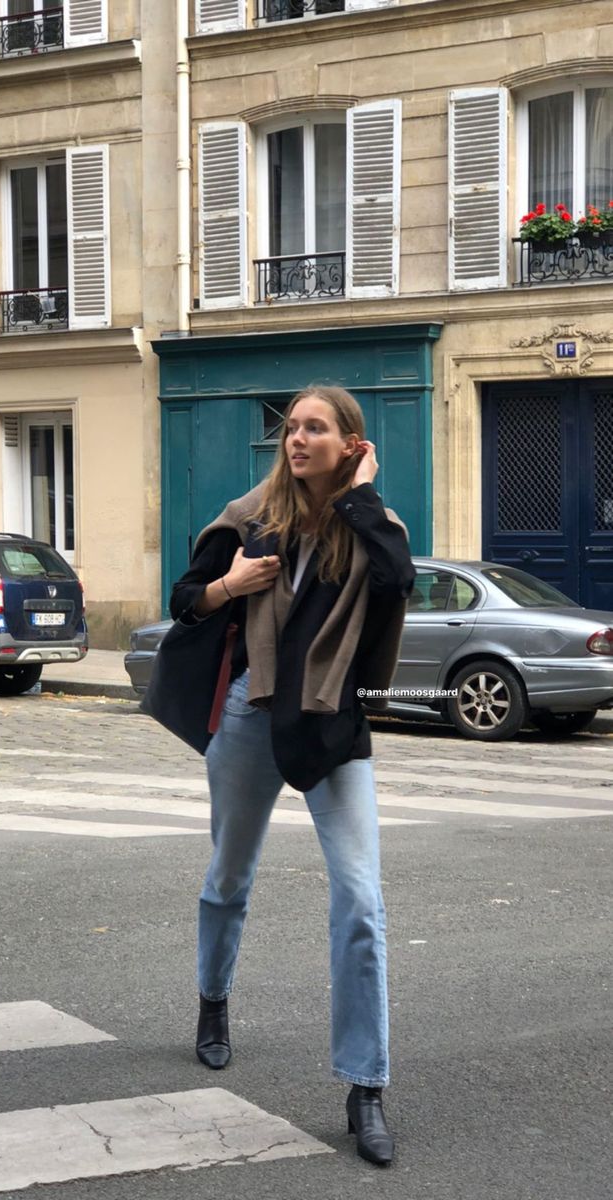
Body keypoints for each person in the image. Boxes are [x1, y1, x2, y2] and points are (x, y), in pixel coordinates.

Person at [169, 384, 415, 1166]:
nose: (296, 439)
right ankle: (213, 1004)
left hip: (329, 720)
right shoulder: (249, 518)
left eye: (315, 428)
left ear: (351, 445)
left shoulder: (370, 524)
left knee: (361, 902)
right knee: (227, 878)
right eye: (290, 428)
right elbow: (184, 602)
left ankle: (364, 1088)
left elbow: (394, 585)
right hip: (250, 710)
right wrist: (226, 589)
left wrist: (363, 497)